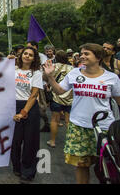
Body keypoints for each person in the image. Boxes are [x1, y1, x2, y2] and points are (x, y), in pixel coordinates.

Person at [43, 43, 120, 184]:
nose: (82, 56)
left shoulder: (112, 78)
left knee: (108, 165)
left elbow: (118, 101)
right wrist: (50, 77)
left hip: (104, 128)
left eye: (86, 54)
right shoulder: (74, 73)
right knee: (81, 164)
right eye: (81, 53)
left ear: (98, 58)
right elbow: (60, 90)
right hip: (78, 126)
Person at [11, 47, 43, 183]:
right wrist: (5, 61)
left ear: (34, 58)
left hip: (30, 107)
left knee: (30, 141)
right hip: (13, 105)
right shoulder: (13, 69)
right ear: (21, 55)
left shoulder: (36, 73)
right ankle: (16, 167)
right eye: (25, 53)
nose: (27, 56)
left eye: (31, 55)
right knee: (15, 140)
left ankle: (28, 171)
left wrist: (23, 112)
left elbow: (34, 94)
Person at [46, 50, 73, 148]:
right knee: (68, 121)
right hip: (69, 97)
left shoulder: (53, 67)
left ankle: (52, 141)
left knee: (54, 119)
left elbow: (46, 78)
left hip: (56, 96)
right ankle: (71, 142)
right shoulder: (72, 68)